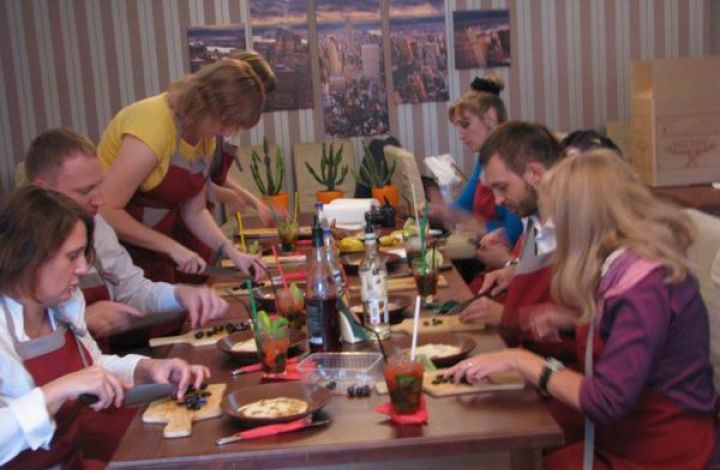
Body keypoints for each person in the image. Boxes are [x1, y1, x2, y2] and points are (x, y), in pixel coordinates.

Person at [446, 150, 717, 468]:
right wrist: (571, 319)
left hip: (664, 452)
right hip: (626, 436)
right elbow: (633, 329)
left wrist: (522, 360)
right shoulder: (627, 266)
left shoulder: (645, 287)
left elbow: (606, 401)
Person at [0, 186, 210, 467]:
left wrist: (147, 369)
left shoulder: (60, 308)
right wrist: (59, 389)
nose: (83, 268)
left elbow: (93, 367)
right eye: (72, 256)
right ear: (28, 257)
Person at [25, 128, 228, 342]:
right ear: (42, 189)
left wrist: (180, 294)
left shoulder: (96, 226)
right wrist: (82, 320)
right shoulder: (17, 249)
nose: (99, 200)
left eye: (98, 186)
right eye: (84, 192)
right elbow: (17, 341)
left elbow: (133, 290)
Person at [97, 58, 268, 284]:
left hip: (151, 250)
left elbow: (194, 211)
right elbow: (106, 210)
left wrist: (233, 252)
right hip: (111, 253)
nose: (227, 132)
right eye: (227, 123)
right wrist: (171, 247)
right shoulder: (153, 127)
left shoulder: (205, 138)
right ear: (207, 104)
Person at [459, 122, 573, 360]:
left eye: (503, 188)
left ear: (535, 174)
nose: (498, 200)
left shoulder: (576, 231)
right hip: (526, 359)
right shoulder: (534, 221)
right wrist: (513, 268)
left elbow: (573, 335)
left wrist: (506, 317)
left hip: (552, 370)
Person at [432, 76, 523, 268]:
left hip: (508, 266)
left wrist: (469, 222)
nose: (461, 135)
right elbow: (461, 207)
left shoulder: (513, 162)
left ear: (490, 118)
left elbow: (513, 233)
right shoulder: (483, 162)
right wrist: (434, 210)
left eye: (465, 125)